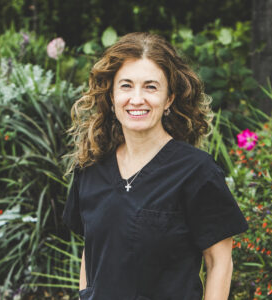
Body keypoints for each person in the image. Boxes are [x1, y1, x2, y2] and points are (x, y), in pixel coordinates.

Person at [62, 32, 249, 300]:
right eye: (126, 86)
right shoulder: (91, 168)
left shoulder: (196, 171)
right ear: (112, 95)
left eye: (150, 87)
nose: (137, 99)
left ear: (169, 98)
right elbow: (91, 251)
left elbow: (219, 262)